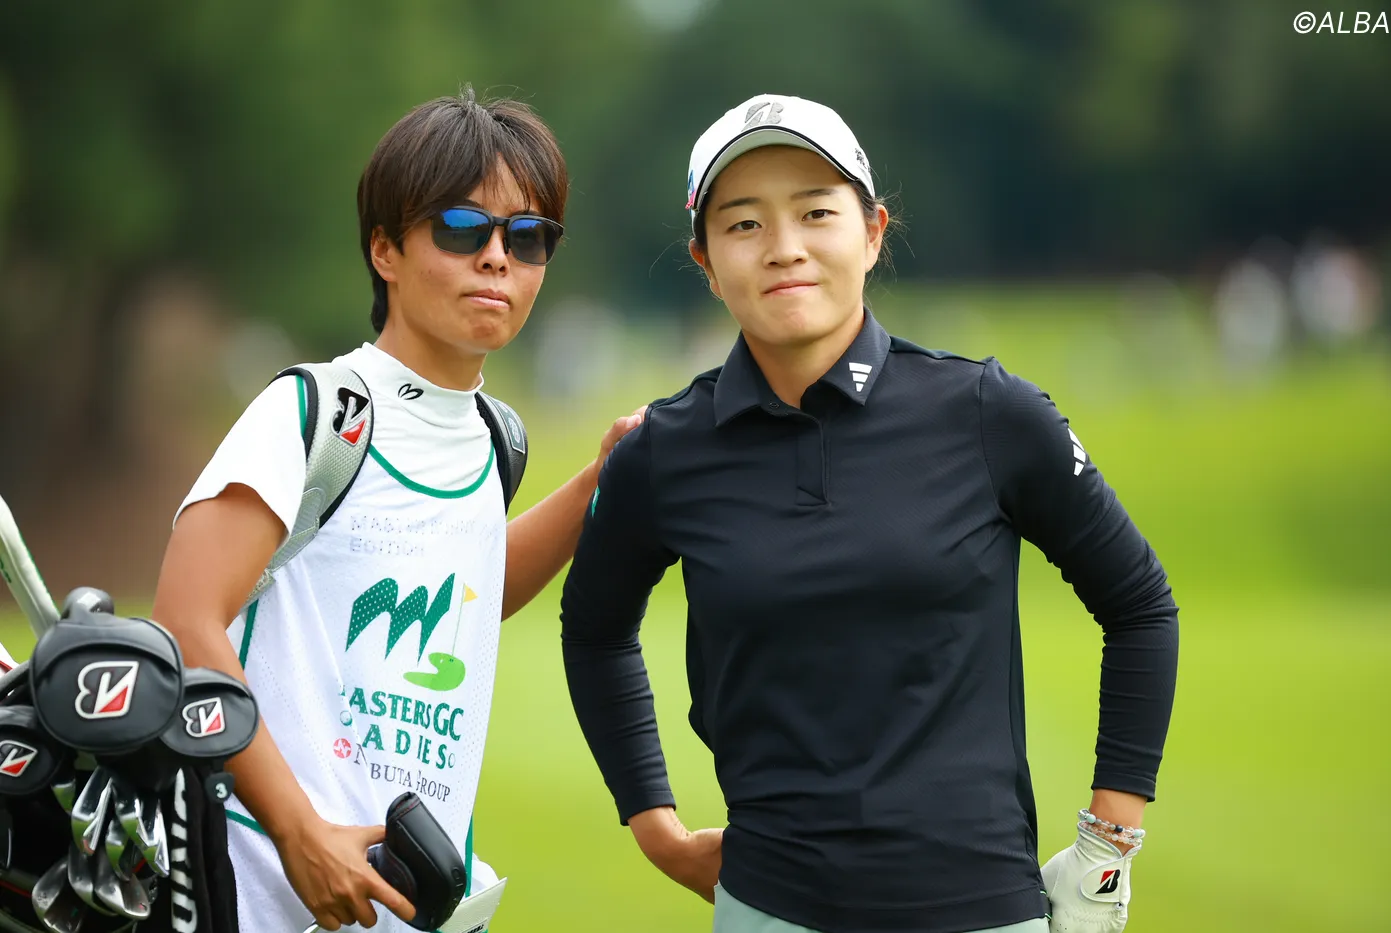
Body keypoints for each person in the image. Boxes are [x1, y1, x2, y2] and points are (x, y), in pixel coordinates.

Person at [560, 94, 1179, 933]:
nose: (784, 247)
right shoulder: (666, 449)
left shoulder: (987, 412)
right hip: (768, 909)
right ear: (705, 260)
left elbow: (1138, 603)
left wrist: (1108, 843)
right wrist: (657, 828)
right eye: (743, 224)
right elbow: (595, 629)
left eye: (816, 212)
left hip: (982, 910)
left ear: (874, 231)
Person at [151, 90, 642, 933]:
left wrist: (600, 480)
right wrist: (300, 833)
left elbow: (467, 592)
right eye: (462, 229)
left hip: (409, 904)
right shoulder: (316, 412)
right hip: (259, 891)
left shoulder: (496, 439)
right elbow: (185, 621)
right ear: (386, 249)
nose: (497, 258)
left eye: (528, 237)